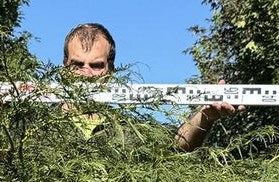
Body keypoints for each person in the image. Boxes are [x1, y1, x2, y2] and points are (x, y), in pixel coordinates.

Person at [60, 22, 235, 152]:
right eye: (77, 65)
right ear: (64, 68)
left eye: (96, 66)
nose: (87, 74)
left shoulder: (129, 132)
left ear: (110, 72)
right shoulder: (35, 127)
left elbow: (175, 147)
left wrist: (205, 117)